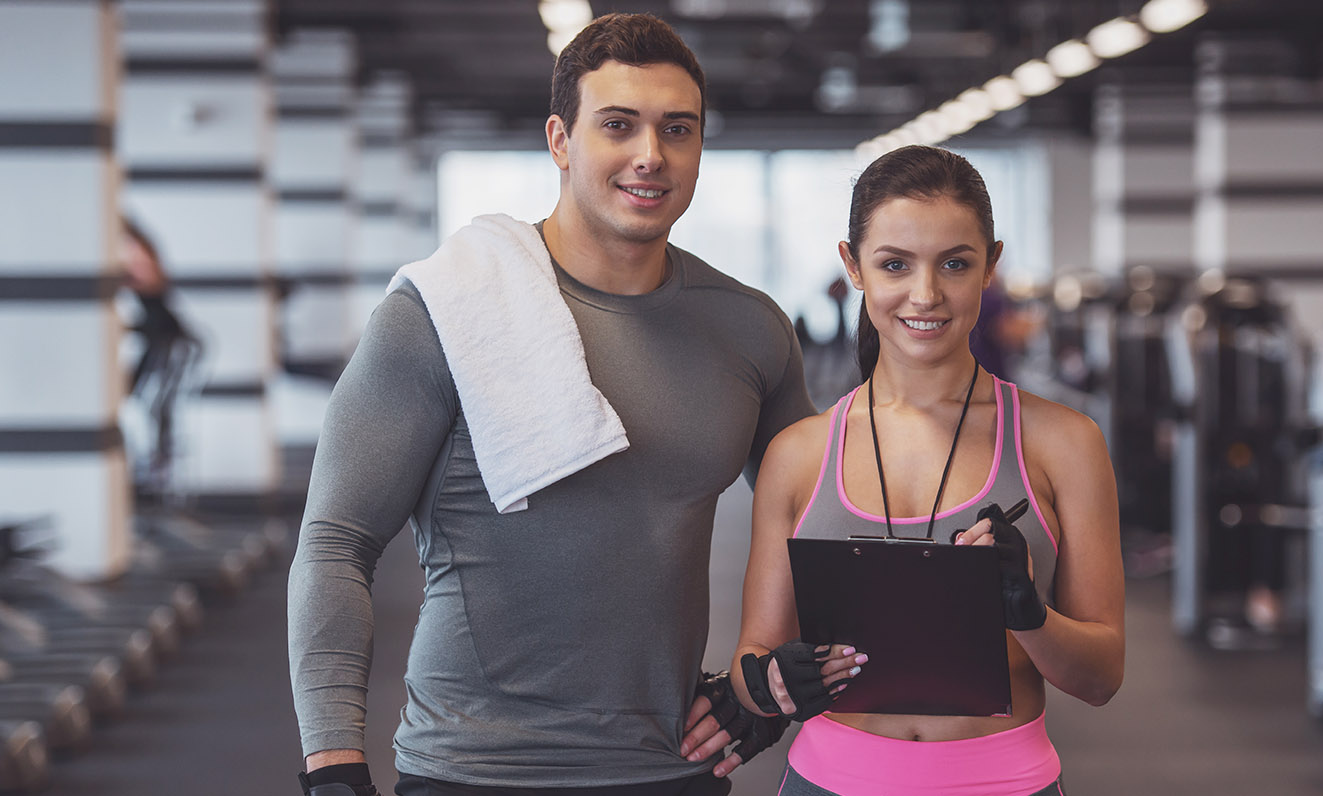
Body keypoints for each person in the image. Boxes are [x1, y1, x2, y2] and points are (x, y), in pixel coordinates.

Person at [288, 13, 814, 796]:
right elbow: (337, 541)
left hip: (669, 767)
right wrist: (332, 763)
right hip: (469, 770)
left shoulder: (748, 328)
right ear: (560, 140)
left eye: (678, 129)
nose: (651, 155)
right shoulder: (445, 311)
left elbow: (817, 517)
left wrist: (761, 686)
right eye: (618, 126)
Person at [724, 145, 1124, 795]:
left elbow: (1102, 677)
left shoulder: (1064, 444)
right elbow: (752, 665)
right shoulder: (799, 454)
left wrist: (1029, 615)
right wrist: (773, 681)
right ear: (853, 266)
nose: (926, 294)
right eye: (894, 264)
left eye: (955, 264)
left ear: (991, 265)